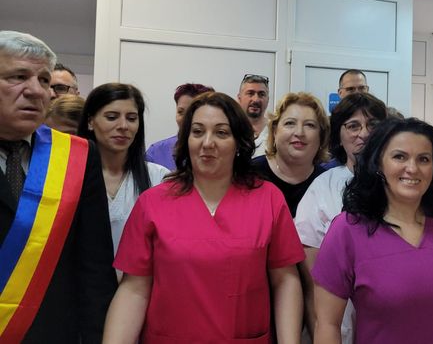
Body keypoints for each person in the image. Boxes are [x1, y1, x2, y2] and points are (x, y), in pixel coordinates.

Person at [103, 92, 304, 343]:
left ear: (239, 142)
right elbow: (134, 289)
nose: (207, 143)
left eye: (221, 133)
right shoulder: (153, 203)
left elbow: (285, 281)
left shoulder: (268, 199)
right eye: (197, 132)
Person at [0, 30, 116, 342]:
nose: (36, 91)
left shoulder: (78, 155)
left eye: (43, 80)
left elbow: (95, 267)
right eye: (18, 77)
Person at [312, 117, 433, 344]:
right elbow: (327, 324)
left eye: (424, 159)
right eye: (399, 157)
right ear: (378, 163)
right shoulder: (348, 230)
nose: (412, 168)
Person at [295, 92, 388, 342]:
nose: (364, 134)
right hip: (340, 315)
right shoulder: (323, 187)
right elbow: (313, 274)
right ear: (339, 133)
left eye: (373, 125)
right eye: (353, 126)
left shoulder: (400, 182)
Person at [78, 83, 169, 255]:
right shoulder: (71, 176)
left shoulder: (158, 177)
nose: (123, 126)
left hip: (141, 272)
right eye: (112, 117)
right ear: (90, 122)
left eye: (132, 118)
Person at [253, 92, 330, 216]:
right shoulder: (250, 174)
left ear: (321, 136)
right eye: (290, 123)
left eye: (309, 125)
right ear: (274, 131)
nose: (299, 133)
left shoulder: (327, 183)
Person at [145, 82, 214, 170]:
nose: (185, 119)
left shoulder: (218, 150)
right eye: (180, 112)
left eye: (193, 112)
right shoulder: (156, 153)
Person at [237, 73, 271, 156]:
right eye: (250, 93)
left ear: (268, 100)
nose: (256, 100)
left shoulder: (276, 130)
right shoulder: (231, 129)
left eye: (261, 94)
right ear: (239, 98)